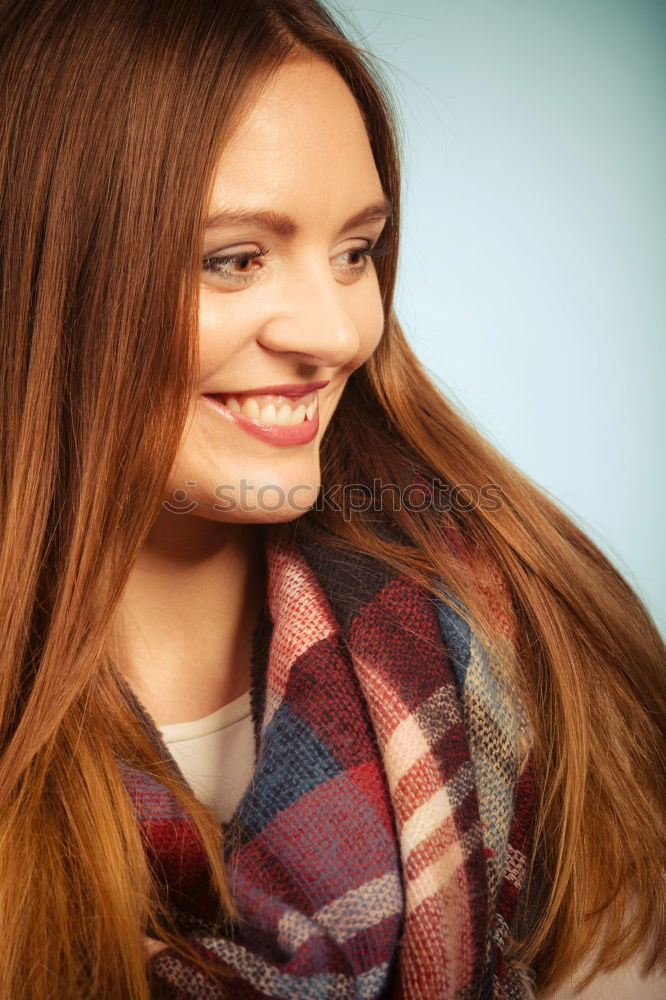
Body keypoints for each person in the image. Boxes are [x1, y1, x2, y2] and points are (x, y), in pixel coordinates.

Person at [0, 1, 663, 998]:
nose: (341, 330)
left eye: (357, 250)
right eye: (236, 258)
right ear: (44, 275)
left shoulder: (519, 635)